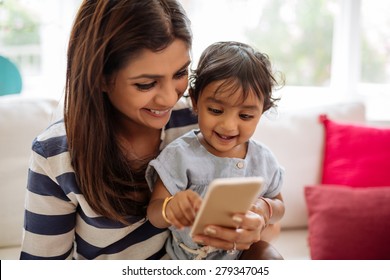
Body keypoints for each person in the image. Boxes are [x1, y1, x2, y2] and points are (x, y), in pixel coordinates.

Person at [19, 0, 281, 260]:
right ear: (100, 77)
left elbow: (267, 225)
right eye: (146, 84)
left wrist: (257, 226)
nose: (169, 98)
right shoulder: (55, 154)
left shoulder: (203, 121)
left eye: (180, 73)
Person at [146, 41, 285, 260]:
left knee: (271, 258)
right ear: (195, 101)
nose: (228, 125)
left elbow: (280, 206)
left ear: (262, 112)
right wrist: (170, 207)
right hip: (189, 261)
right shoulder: (180, 155)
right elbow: (153, 212)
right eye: (215, 110)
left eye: (245, 116)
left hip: (242, 256)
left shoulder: (263, 159)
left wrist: (266, 208)